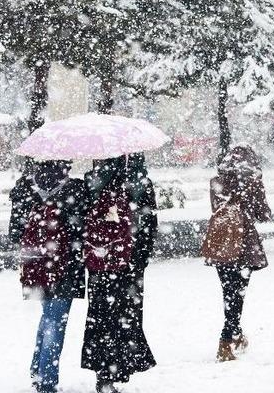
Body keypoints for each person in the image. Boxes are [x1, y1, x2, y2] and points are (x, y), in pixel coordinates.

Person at [81, 154, 157, 393]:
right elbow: (150, 224)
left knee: (100, 315)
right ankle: (120, 369)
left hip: (100, 260)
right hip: (129, 262)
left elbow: (82, 222)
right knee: (126, 316)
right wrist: (141, 257)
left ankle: (103, 373)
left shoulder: (91, 180)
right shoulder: (139, 181)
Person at [9, 160, 86, 393]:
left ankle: (38, 371)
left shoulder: (25, 187)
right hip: (65, 268)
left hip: (36, 267)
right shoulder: (74, 189)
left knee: (48, 318)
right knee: (55, 321)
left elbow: (14, 232)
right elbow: (81, 233)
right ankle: (46, 381)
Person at [207, 145, 271, 362]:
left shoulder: (215, 182)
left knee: (229, 292)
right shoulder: (253, 181)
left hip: (221, 242)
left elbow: (216, 210)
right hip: (244, 243)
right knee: (238, 294)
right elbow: (263, 213)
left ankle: (235, 334)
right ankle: (226, 341)